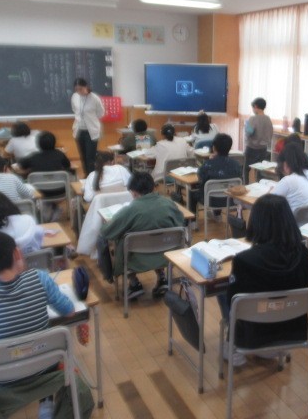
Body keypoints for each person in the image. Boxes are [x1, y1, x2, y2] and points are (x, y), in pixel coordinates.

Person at [0, 231, 94, 419]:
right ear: (17, 253)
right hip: (44, 368)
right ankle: (46, 402)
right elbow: (69, 311)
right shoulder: (40, 278)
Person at [223, 194, 308, 366]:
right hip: (292, 334)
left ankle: (233, 348)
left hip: (253, 338)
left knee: (226, 294)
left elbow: (232, 300)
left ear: (256, 222)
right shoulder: (302, 254)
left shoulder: (244, 260)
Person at [100, 171, 184, 299]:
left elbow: (107, 232)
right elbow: (181, 221)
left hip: (137, 259)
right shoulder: (168, 203)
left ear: (133, 192)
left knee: (122, 239)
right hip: (167, 255)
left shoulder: (130, 210)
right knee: (159, 235)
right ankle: (162, 277)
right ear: (153, 187)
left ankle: (134, 283)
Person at [189, 133, 241, 213]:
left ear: (214, 148)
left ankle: (192, 220)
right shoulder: (236, 165)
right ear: (230, 148)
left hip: (211, 200)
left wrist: (210, 161)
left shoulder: (208, 164)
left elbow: (200, 178)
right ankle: (217, 214)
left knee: (192, 193)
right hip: (231, 200)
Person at [272, 143, 308, 211]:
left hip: (293, 217)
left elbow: (269, 203)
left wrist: (270, 191)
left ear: (285, 164)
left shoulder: (288, 180)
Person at [71, 77, 105, 176]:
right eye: (76, 89)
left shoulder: (94, 98)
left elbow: (101, 113)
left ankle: (92, 177)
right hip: (79, 130)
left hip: (91, 131)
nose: (79, 91)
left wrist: (90, 118)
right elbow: (75, 109)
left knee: (90, 157)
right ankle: (86, 176)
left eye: (81, 89)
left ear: (86, 87)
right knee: (83, 156)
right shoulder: (75, 97)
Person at [244, 97, 273, 182]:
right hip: (263, 149)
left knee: (247, 169)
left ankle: (246, 184)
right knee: (260, 170)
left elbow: (249, 132)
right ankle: (259, 184)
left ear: (255, 106)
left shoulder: (253, 118)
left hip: (252, 148)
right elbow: (270, 133)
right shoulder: (268, 119)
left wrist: (246, 124)